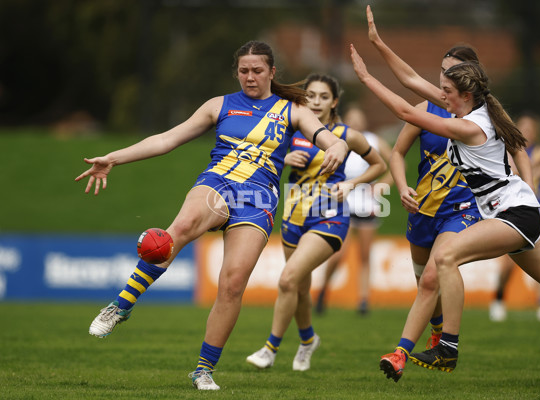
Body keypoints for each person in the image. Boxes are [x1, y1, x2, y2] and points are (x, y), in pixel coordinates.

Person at [75, 41, 349, 391]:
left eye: (258, 70)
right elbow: (166, 139)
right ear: (236, 71)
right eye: (244, 70)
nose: (250, 77)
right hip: (218, 182)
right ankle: (120, 305)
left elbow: (327, 137)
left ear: (272, 72)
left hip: (258, 198)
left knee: (233, 283)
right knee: (179, 229)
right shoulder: (219, 105)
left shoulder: (292, 110)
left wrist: (339, 146)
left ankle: (203, 370)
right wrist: (114, 157)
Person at [350, 10, 540, 374]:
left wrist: (365, 77)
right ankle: (445, 344)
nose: (440, 96)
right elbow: (410, 80)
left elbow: (406, 109)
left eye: (447, 92)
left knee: (446, 256)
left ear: (464, 94)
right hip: (509, 212)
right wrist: (377, 43)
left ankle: (447, 346)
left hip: (512, 213)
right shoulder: (470, 105)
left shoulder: (470, 126)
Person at [360, 7, 482, 382]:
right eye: (442, 70)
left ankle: (407, 352)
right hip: (422, 211)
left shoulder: (480, 116)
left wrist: (366, 76)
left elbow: (518, 151)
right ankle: (438, 328)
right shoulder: (431, 106)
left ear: (469, 78)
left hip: (461, 211)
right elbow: (396, 152)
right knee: (423, 280)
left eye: (451, 72)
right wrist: (401, 187)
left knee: (431, 278)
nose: (442, 77)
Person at [245, 73, 386, 371]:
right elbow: (258, 157)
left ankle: (270, 349)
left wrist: (352, 184)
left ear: (335, 101)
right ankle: (308, 339)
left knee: (287, 279)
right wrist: (283, 159)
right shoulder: (289, 128)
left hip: (330, 215)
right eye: (311, 96)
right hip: (293, 215)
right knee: (298, 286)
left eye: (324, 96)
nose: (317, 102)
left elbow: (380, 164)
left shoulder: (347, 135)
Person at [315, 105, 393, 316]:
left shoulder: (374, 141)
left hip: (367, 204)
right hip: (344, 202)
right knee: (339, 253)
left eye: (360, 118)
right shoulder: (337, 139)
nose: (356, 122)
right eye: (352, 118)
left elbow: (395, 163)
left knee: (365, 255)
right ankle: (322, 292)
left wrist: (383, 185)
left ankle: (363, 300)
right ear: (346, 120)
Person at [489, 112, 540, 323]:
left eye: (530, 128)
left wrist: (537, 168)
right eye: (523, 128)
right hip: (515, 210)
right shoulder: (509, 151)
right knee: (508, 263)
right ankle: (499, 298)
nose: (527, 132)